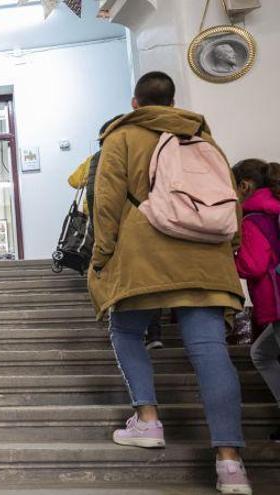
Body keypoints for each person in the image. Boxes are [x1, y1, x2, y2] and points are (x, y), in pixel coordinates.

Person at [89, 71, 250, 495]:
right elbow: (228, 198)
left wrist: (102, 257)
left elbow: (105, 203)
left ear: (136, 103)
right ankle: (230, 465)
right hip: (206, 259)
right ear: (172, 100)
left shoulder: (121, 138)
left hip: (144, 256)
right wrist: (230, 246)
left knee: (126, 332)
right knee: (211, 352)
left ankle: (147, 420)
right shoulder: (203, 138)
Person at [232, 158, 280, 443]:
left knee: (262, 355)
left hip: (276, 302)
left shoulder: (253, 219)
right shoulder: (273, 211)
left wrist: (226, 259)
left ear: (244, 186)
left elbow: (254, 265)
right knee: (261, 354)